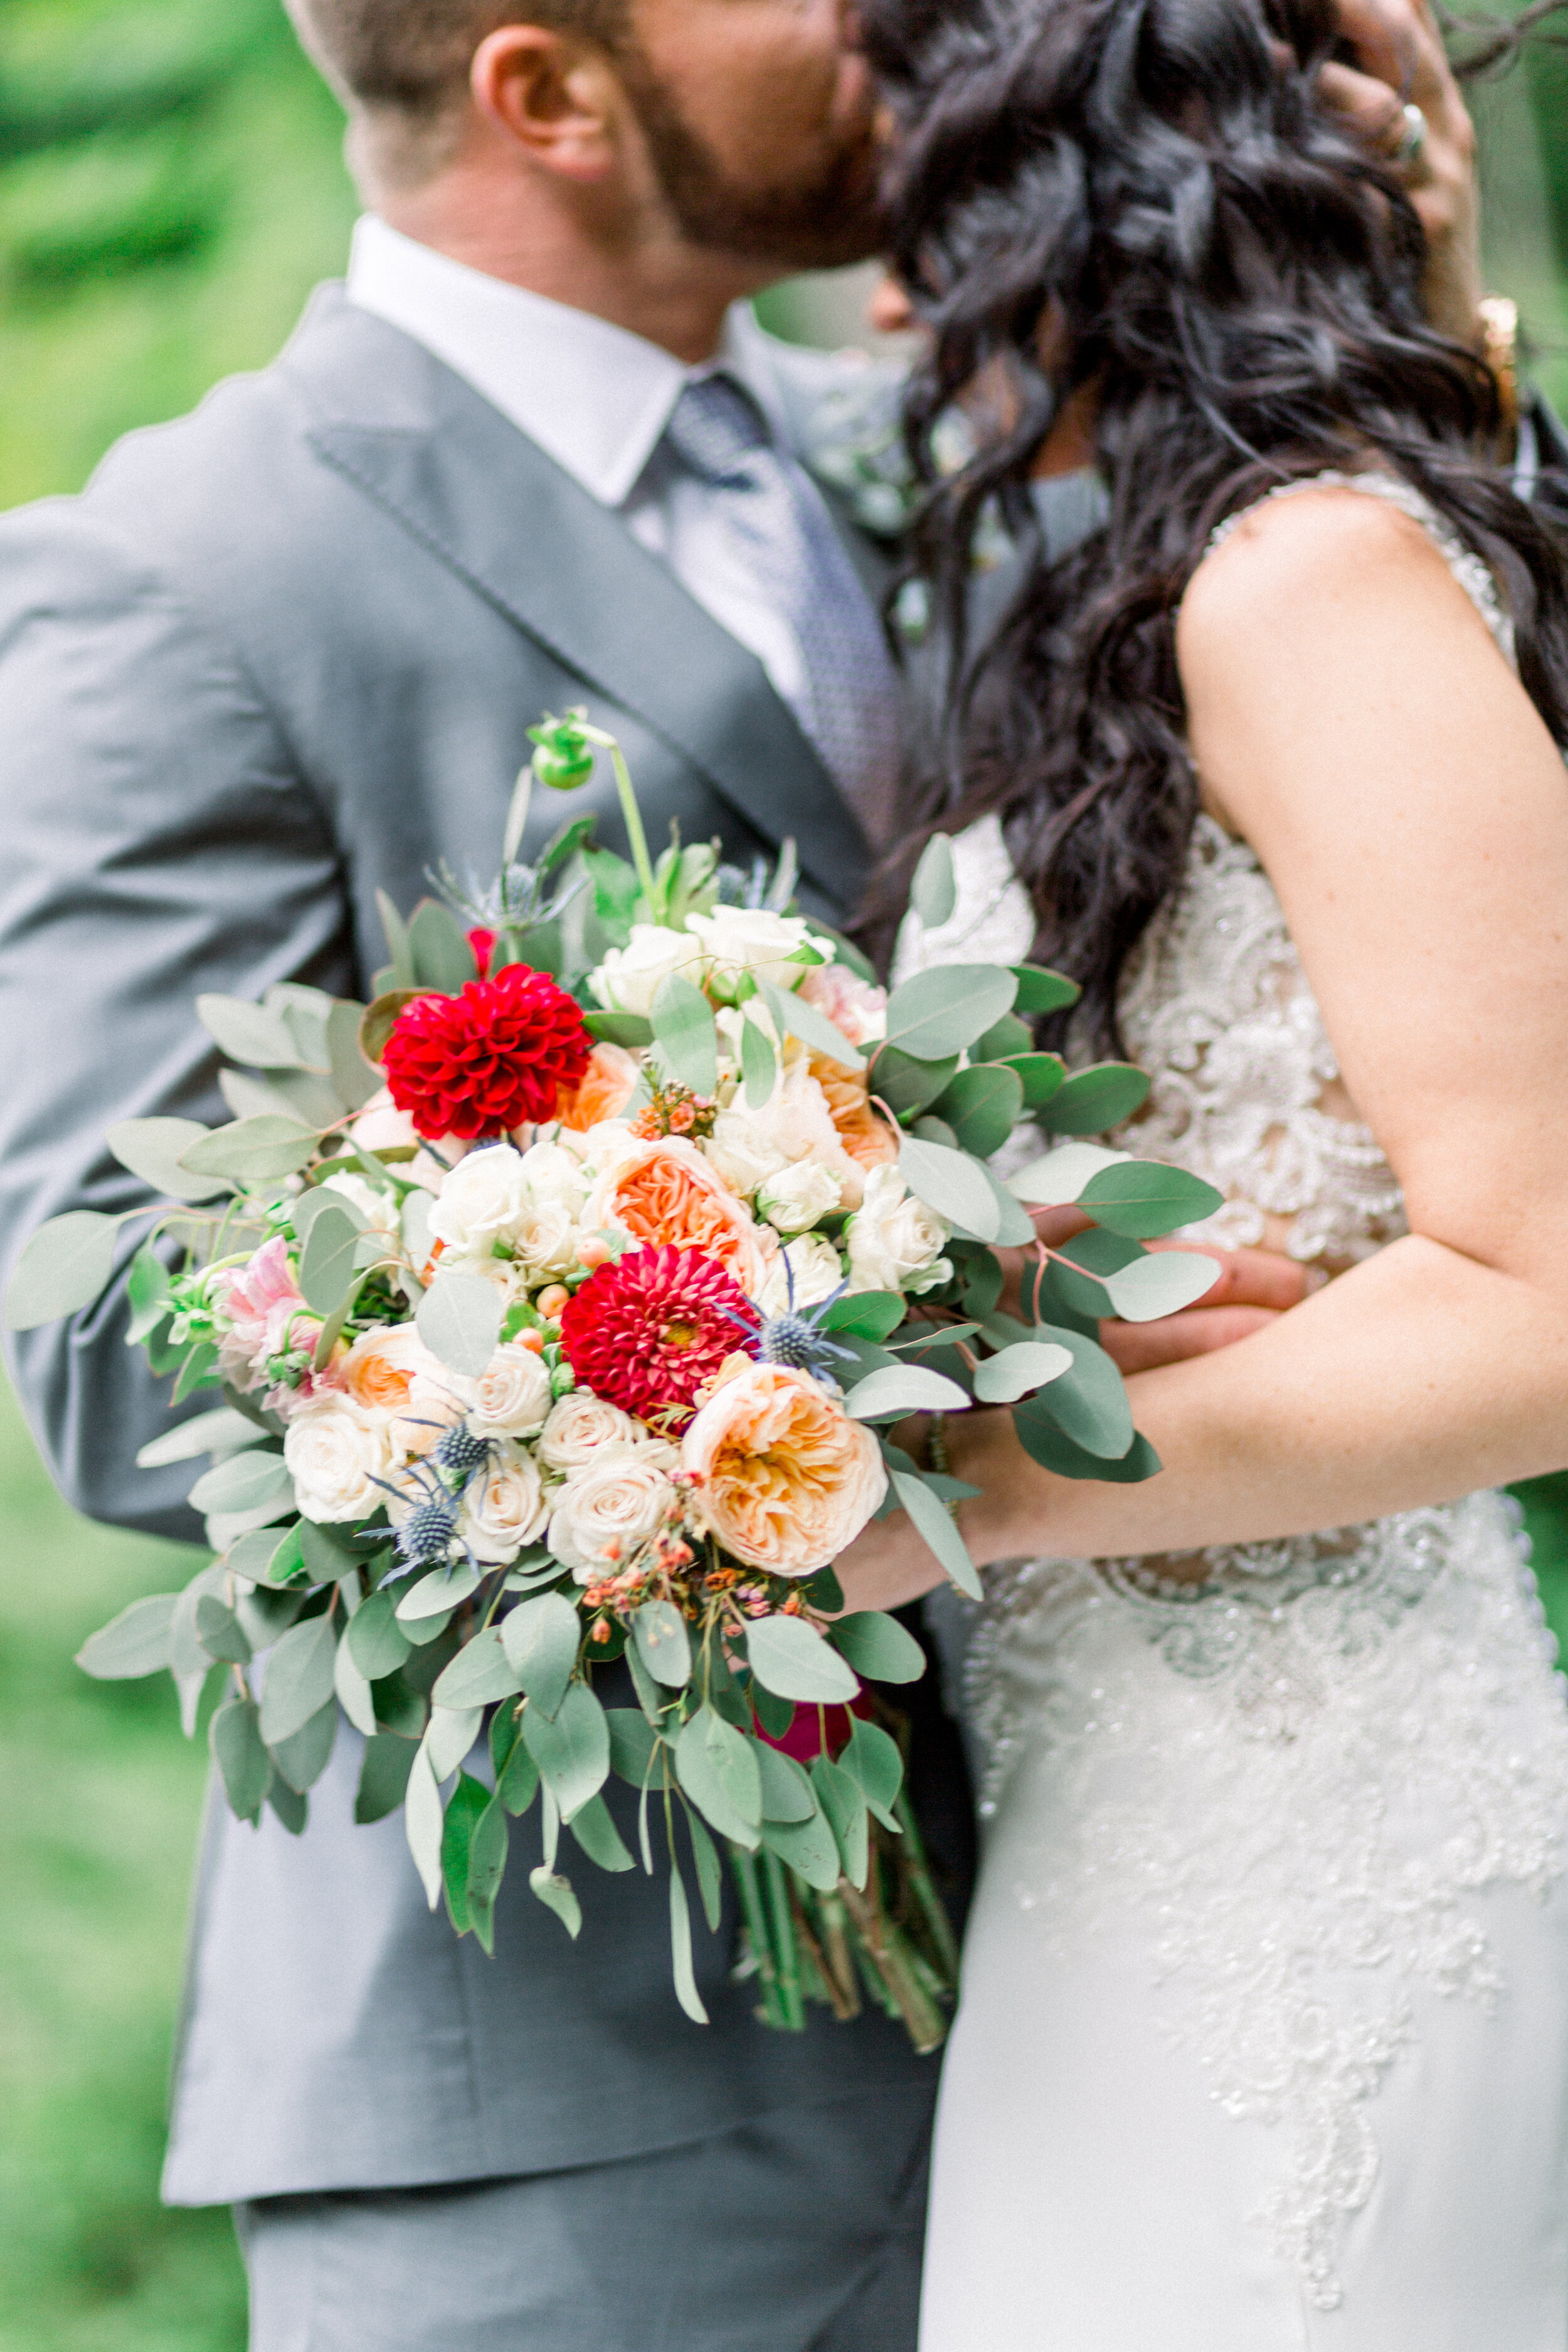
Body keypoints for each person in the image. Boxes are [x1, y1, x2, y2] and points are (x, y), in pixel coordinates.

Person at [0, 2, 1536, 2348]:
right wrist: (851, 1344)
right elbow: (129, 1353)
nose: (882, 18)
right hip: (597, 2076)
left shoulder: (990, 441)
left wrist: (1407, 308)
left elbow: (1400, 695)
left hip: (1144, 1925)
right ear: (548, 92)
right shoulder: (176, 578)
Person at [832, 0, 1568, 2342]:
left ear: (1053, 201)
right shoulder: (1146, 599)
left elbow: (1550, 1286)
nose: (876, 301)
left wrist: (967, 1479)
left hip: (1318, 1832)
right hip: (1114, 1824)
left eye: (911, 210)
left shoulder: (1310, 581)